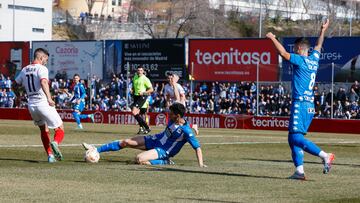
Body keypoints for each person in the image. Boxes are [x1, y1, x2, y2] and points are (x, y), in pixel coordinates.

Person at [266, 19, 335, 180]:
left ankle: (325, 155)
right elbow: (318, 46)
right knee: (292, 138)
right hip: (309, 105)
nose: (294, 51)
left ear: (298, 49)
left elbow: (283, 53)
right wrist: (322, 30)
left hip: (301, 103)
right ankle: (299, 171)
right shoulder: (314, 59)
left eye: (295, 49)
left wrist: (272, 38)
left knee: (296, 137)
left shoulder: (301, 60)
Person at [82, 103, 206, 167]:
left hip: (163, 150)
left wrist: (200, 164)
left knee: (139, 159)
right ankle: (96, 149)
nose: (169, 113)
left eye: (171, 113)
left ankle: (165, 162)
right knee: (126, 142)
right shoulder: (175, 120)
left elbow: (197, 148)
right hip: (155, 139)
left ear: (177, 115)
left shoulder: (186, 131)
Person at [14, 48, 65, 163]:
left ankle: (50, 156)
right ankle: (55, 143)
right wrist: (49, 98)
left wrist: (18, 97)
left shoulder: (24, 69)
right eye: (45, 59)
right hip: (43, 103)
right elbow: (43, 82)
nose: (46, 62)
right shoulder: (42, 68)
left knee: (43, 130)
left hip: (32, 105)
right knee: (60, 128)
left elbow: (14, 84)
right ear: (41, 58)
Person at [131, 66, 153, 134]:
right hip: (136, 96)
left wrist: (143, 92)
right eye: (138, 70)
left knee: (134, 112)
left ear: (143, 71)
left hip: (142, 96)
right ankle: (142, 128)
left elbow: (151, 89)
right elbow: (134, 86)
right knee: (137, 114)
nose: (139, 72)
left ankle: (147, 127)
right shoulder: (135, 77)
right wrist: (132, 90)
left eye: (141, 70)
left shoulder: (145, 79)